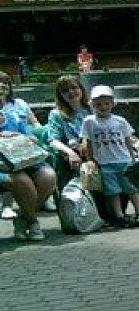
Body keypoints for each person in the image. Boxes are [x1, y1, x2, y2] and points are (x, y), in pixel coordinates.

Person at [0, 70, 56, 240]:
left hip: (25, 159)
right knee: (20, 180)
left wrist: (30, 135)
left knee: (49, 177)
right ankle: (33, 222)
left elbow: (30, 132)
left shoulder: (12, 114)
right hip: (4, 166)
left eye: (2, 89)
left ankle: (22, 220)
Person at [81, 85, 139, 228]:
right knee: (112, 191)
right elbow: (89, 142)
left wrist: (133, 157)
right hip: (105, 162)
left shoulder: (120, 121)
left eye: (106, 103)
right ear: (92, 105)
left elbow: (128, 140)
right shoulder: (89, 122)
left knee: (131, 188)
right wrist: (90, 159)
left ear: (112, 104)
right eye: (98, 104)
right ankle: (119, 216)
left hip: (123, 159)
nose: (103, 107)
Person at [46, 75, 92, 187]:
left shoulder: (92, 108)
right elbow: (53, 141)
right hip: (72, 153)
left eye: (74, 88)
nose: (71, 92)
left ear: (81, 89)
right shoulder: (56, 114)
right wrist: (70, 153)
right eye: (65, 91)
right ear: (60, 95)